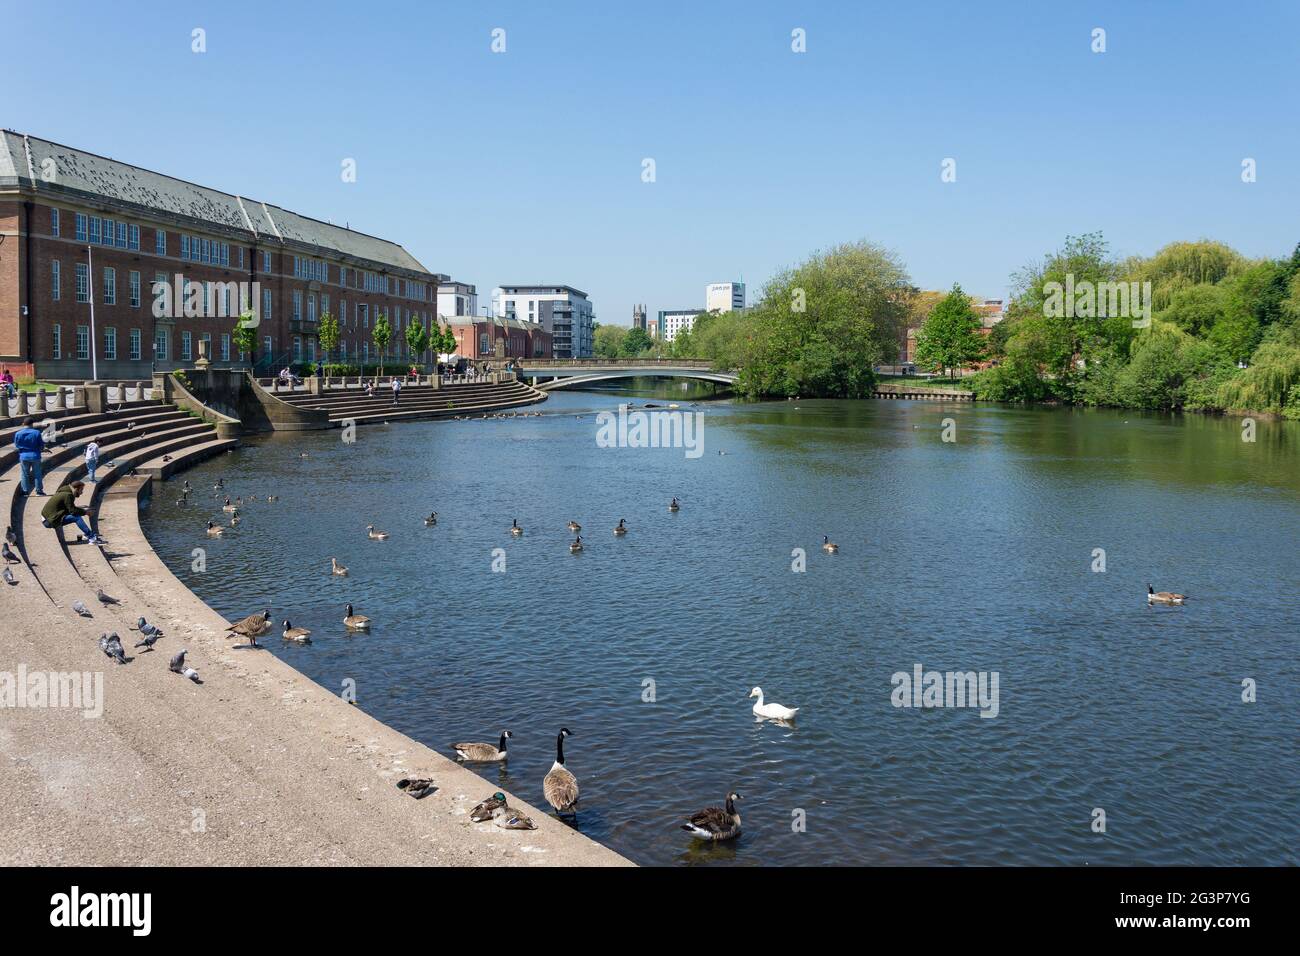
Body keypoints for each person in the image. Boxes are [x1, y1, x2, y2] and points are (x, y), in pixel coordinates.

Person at [41, 481, 103, 545]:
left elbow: (69, 508)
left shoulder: (65, 491)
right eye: (81, 490)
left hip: (48, 517)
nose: (82, 492)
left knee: (78, 513)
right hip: (49, 521)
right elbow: (73, 511)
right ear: (76, 489)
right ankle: (92, 538)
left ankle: (88, 534)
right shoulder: (68, 495)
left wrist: (82, 510)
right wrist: (86, 512)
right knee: (77, 517)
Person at [13, 416, 45, 496]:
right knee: (37, 473)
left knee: (24, 474)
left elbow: (17, 445)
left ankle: (25, 491)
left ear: (23, 424)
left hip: (23, 456)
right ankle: (39, 491)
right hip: (35, 455)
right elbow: (41, 445)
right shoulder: (36, 432)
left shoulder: (18, 433)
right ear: (32, 424)